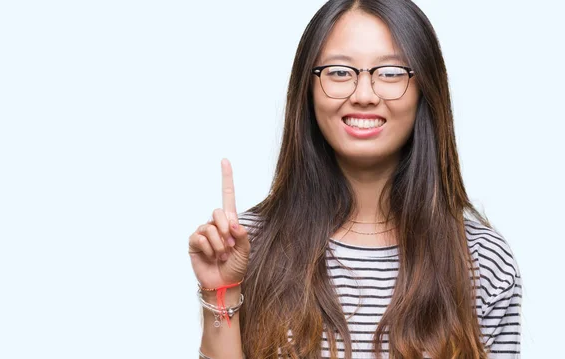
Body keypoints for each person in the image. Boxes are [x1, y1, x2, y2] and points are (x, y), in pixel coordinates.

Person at [187, 0, 522, 358]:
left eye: (391, 72)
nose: (363, 95)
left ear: (425, 87)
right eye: (340, 72)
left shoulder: (482, 260)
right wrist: (220, 290)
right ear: (308, 88)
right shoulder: (248, 245)